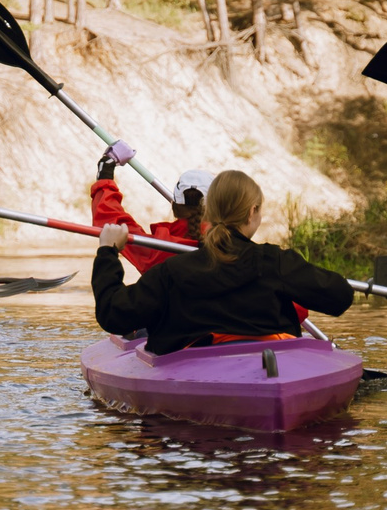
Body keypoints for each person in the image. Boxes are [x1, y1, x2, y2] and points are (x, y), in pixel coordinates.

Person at [92, 170, 350, 354]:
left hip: (191, 364)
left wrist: (108, 252)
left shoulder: (170, 270)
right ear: (252, 212)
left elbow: (113, 315)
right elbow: (340, 297)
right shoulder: (276, 262)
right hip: (273, 359)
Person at [89, 143, 208, 274]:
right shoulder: (229, 244)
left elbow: (111, 220)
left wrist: (105, 171)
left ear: (175, 206)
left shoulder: (158, 249)